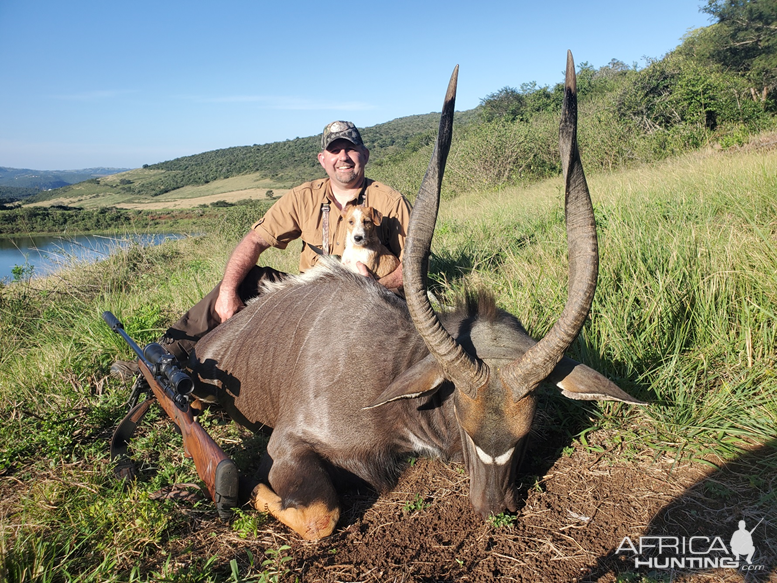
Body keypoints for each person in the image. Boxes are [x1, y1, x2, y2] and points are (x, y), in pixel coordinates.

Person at [111, 120, 410, 377]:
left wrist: (377, 287)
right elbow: (254, 240)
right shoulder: (303, 196)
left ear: (365, 155)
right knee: (245, 280)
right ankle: (162, 356)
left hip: (370, 298)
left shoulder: (390, 201)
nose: (343, 157)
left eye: (351, 149)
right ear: (322, 159)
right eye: (335, 150)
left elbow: (413, 265)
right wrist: (229, 292)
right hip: (310, 292)